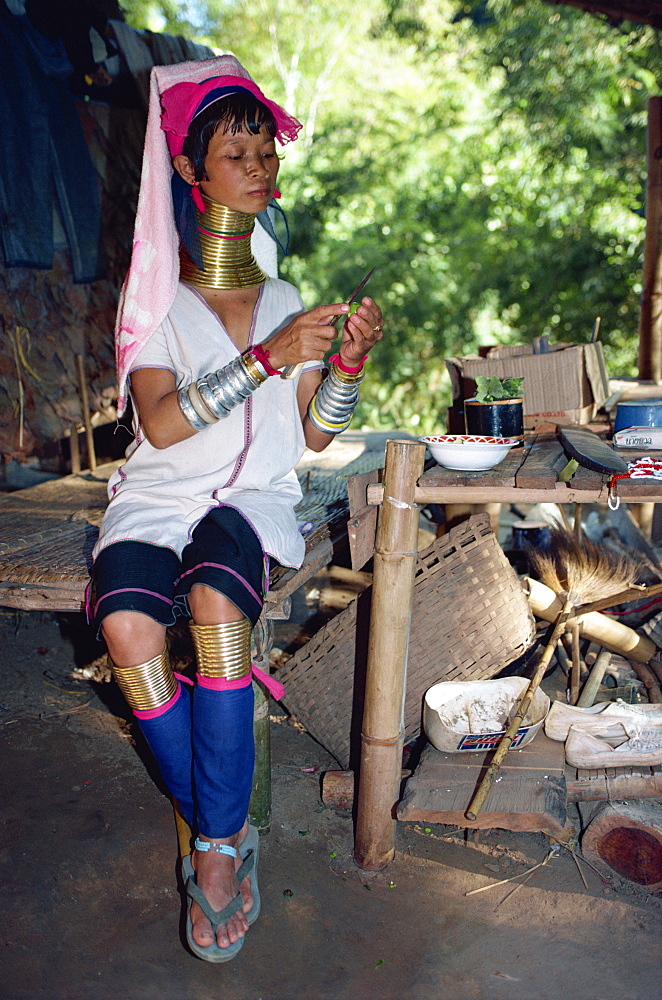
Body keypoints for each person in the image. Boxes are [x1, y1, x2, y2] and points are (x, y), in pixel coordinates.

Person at [91, 55, 383, 963]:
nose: (260, 167)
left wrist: (341, 370)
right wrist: (263, 358)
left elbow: (316, 440)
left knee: (217, 610)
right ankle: (217, 807)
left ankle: (216, 853)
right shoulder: (158, 302)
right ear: (191, 172)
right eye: (237, 150)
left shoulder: (288, 299)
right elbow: (163, 423)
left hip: (252, 501)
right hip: (158, 495)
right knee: (130, 633)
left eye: (266, 151)